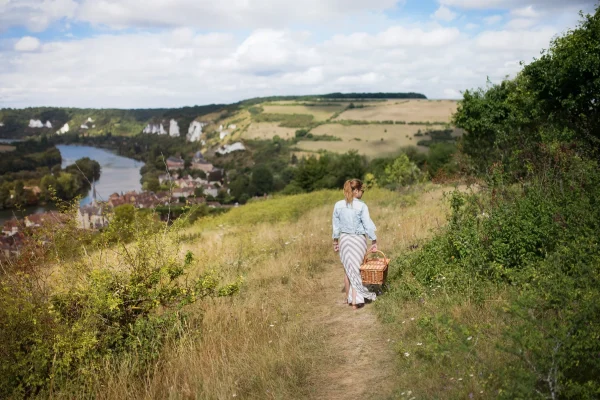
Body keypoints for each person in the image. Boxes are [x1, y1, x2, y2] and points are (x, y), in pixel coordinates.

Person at [332, 179, 378, 310]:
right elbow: (368, 225)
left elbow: (336, 226)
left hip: (344, 239)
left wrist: (335, 241)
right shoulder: (362, 206)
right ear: (356, 191)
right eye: (362, 190)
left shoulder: (338, 205)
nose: (363, 193)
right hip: (358, 240)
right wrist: (374, 241)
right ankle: (355, 302)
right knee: (357, 270)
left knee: (348, 270)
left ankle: (348, 299)